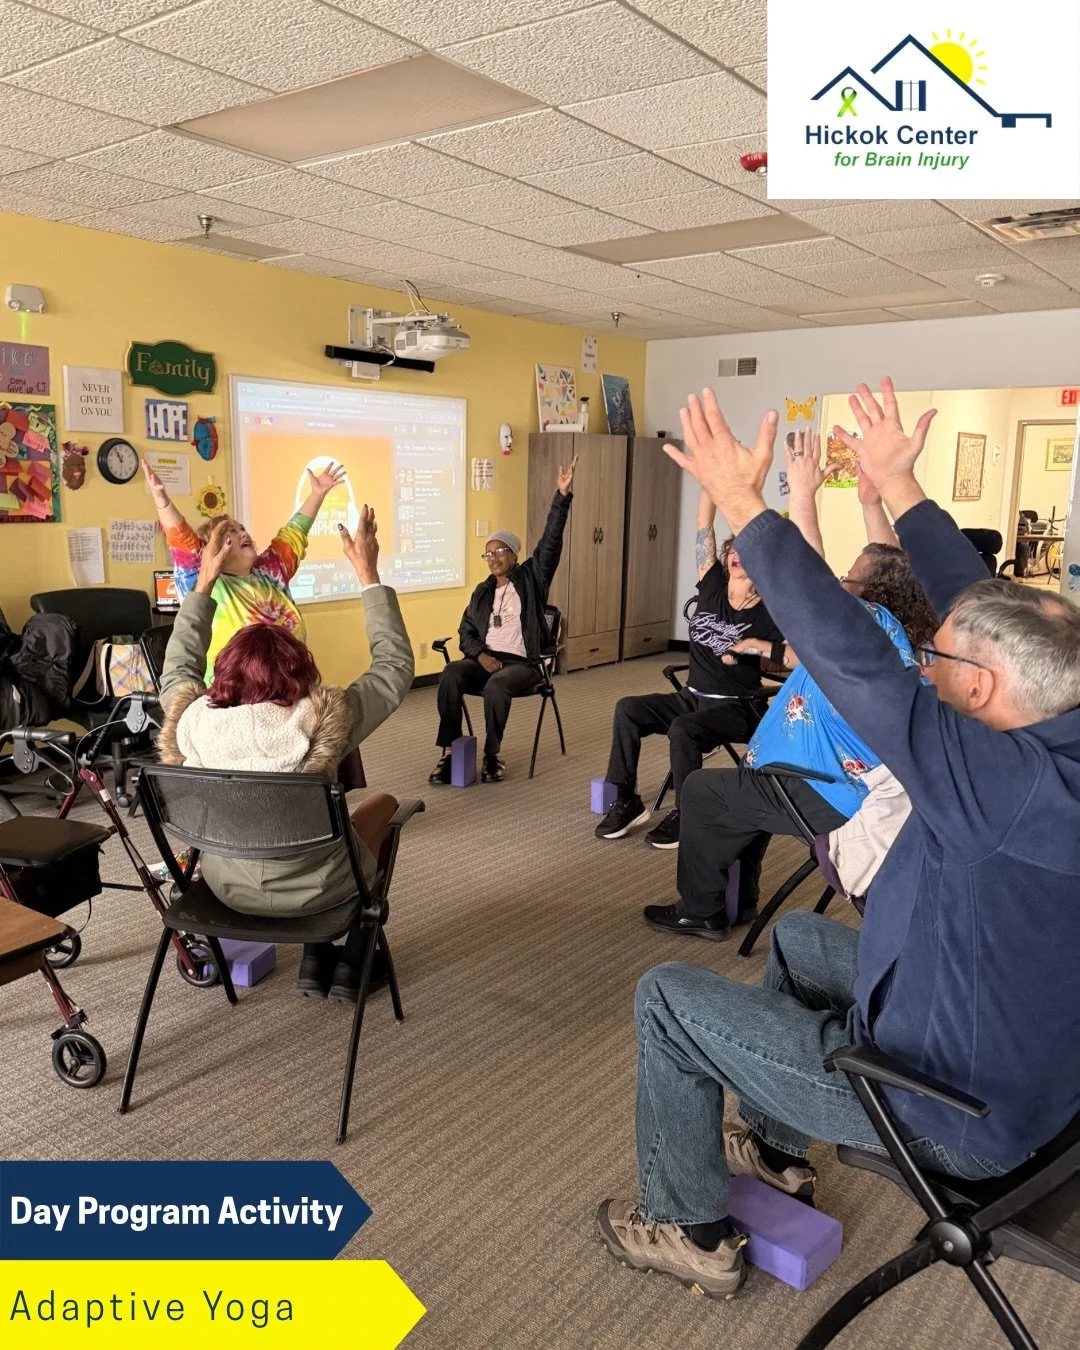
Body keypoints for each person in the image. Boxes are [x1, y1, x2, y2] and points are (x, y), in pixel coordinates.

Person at [598, 378, 1080, 1300]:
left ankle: (685, 1226)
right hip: (1021, 1064)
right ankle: (777, 1155)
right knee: (795, 939)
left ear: (980, 691)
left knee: (667, 998)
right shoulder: (1054, 713)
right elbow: (985, 610)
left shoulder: (990, 779)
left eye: (939, 661)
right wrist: (899, 490)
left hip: (950, 1112)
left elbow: (850, 653)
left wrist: (748, 507)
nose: (927, 662)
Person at [642, 433, 937, 938]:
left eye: (849, 578)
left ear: (868, 594)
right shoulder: (898, 636)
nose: (840, 582)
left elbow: (808, 578)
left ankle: (700, 909)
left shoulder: (864, 627)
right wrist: (870, 501)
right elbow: (887, 562)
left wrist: (800, 495)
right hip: (825, 782)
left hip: (822, 790)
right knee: (738, 796)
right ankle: (744, 897)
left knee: (702, 790)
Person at [157, 508, 415, 1002]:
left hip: (223, 888)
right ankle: (352, 953)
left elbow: (178, 666)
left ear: (224, 676)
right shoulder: (322, 720)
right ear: (300, 673)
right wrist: (368, 573)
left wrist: (204, 582)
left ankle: (318, 955)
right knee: (382, 804)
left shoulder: (191, 722)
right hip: (321, 890)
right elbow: (394, 668)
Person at [594, 488, 785, 849]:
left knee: (683, 729)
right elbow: (704, 524)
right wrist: (710, 483)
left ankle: (689, 813)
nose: (735, 556)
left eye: (746, 552)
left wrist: (753, 646)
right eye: (732, 550)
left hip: (738, 706)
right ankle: (626, 800)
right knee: (628, 709)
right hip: (692, 697)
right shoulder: (712, 584)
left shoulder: (769, 609)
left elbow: (796, 656)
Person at [429, 456, 577, 784]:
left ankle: (492, 755)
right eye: (488, 553)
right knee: (452, 672)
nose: (493, 558)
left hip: (522, 666)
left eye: (499, 552)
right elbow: (466, 630)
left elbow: (550, 542)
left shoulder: (532, 579)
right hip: (487, 660)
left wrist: (561, 497)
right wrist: (480, 654)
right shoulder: (482, 593)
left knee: (497, 685)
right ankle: (451, 752)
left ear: (513, 554)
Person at [144, 458, 346, 679]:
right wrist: (162, 500)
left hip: (291, 686)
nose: (243, 533)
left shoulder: (269, 571)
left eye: (242, 528)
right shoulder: (204, 580)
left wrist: (317, 494)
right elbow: (182, 541)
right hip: (236, 697)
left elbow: (295, 532)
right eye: (231, 531)